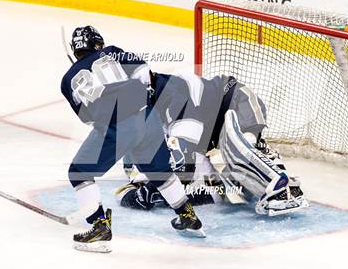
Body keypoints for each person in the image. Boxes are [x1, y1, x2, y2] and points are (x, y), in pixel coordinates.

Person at [61, 26, 205, 253]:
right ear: (97, 43)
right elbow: (143, 70)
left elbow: (86, 117)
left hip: (116, 125)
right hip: (148, 117)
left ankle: (99, 226)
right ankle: (187, 215)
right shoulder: (111, 51)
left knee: (79, 172)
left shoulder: (67, 79)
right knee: (160, 171)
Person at [115, 72, 308, 216]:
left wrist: (160, 187)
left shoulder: (173, 95)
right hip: (211, 137)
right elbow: (127, 190)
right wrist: (150, 194)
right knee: (228, 175)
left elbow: (183, 163)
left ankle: (266, 164)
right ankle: (263, 165)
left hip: (236, 100)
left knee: (238, 145)